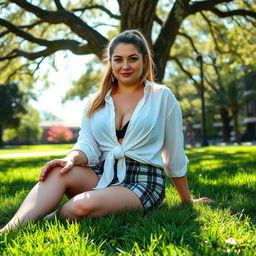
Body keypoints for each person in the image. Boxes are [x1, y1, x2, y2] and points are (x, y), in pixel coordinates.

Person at [0, 30, 212, 234]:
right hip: (103, 173)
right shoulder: (97, 101)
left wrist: (186, 200)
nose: (125, 66)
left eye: (133, 59)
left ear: (145, 60)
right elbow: (87, 145)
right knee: (57, 171)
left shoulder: (162, 97)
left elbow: (174, 153)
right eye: (118, 59)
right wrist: (71, 159)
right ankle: (10, 229)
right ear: (110, 63)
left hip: (144, 181)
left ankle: (49, 218)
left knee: (78, 207)